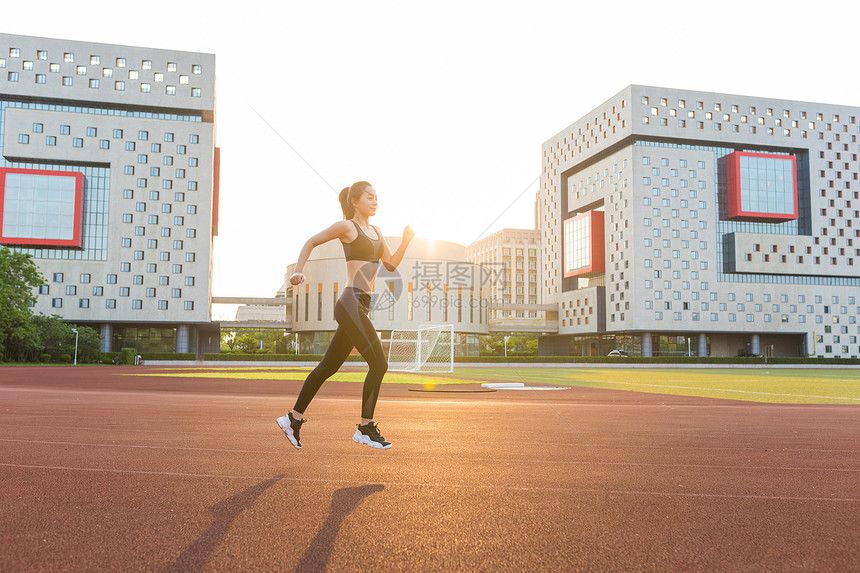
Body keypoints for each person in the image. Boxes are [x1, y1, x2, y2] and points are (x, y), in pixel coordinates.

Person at [276, 181, 414, 450]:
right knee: (379, 364)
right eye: (369, 197)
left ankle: (292, 418)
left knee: (327, 367)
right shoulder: (347, 227)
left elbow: (390, 263)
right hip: (349, 302)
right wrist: (298, 270)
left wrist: (406, 240)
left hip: (361, 304)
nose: (375, 201)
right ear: (355, 201)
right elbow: (311, 241)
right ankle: (364, 427)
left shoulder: (376, 231)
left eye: (377, 197)